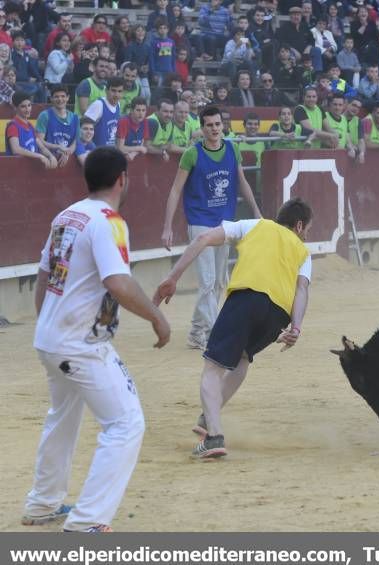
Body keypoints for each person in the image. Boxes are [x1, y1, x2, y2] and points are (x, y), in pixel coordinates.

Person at [22, 147, 170, 533]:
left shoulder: (66, 214)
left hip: (51, 337)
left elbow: (44, 276)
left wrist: (49, 325)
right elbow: (118, 282)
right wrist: (157, 317)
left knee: (63, 417)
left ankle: (43, 503)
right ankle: (86, 521)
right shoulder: (109, 222)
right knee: (126, 422)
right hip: (80, 344)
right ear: (123, 178)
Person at [153, 198, 313, 458]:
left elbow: (203, 237)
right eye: (307, 230)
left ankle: (214, 437)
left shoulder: (255, 225)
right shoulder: (304, 253)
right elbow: (301, 289)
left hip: (246, 298)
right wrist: (296, 327)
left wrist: (173, 276)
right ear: (298, 226)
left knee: (213, 367)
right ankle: (209, 416)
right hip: (278, 315)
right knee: (241, 360)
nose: (305, 235)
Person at [161, 106, 262, 350]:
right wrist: (167, 227)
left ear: (222, 125)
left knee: (218, 282)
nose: (214, 129)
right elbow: (175, 189)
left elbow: (242, 182)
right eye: (209, 125)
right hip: (200, 223)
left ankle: (197, 332)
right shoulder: (191, 154)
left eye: (217, 124)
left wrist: (257, 212)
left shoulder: (232, 148)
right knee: (207, 281)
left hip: (224, 224)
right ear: (202, 128)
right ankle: (218, 335)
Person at [6, 92, 58, 169]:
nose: (27, 109)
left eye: (29, 105)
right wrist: (39, 156)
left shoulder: (30, 126)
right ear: (15, 107)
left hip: (30, 170)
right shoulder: (13, 126)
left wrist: (51, 156)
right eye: (23, 106)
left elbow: (41, 147)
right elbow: (16, 149)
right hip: (17, 170)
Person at [36, 84, 79, 168]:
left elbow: (76, 141)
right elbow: (40, 141)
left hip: (68, 160)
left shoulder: (75, 118)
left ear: (68, 97)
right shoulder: (45, 115)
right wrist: (59, 147)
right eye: (56, 97)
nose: (60, 99)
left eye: (63, 96)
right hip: (48, 160)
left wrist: (67, 153)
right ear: (51, 98)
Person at [84, 77, 124, 148]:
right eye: (113, 91)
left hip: (110, 151)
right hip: (98, 152)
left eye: (119, 91)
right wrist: (94, 149)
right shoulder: (99, 104)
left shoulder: (118, 104)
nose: (116, 94)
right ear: (106, 91)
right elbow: (83, 128)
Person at [115, 97, 150, 161]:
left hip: (133, 157)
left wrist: (134, 153)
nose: (141, 113)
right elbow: (120, 148)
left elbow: (144, 145)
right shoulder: (123, 121)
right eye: (138, 110)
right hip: (119, 158)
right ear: (131, 110)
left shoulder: (145, 121)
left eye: (143, 110)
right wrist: (139, 148)